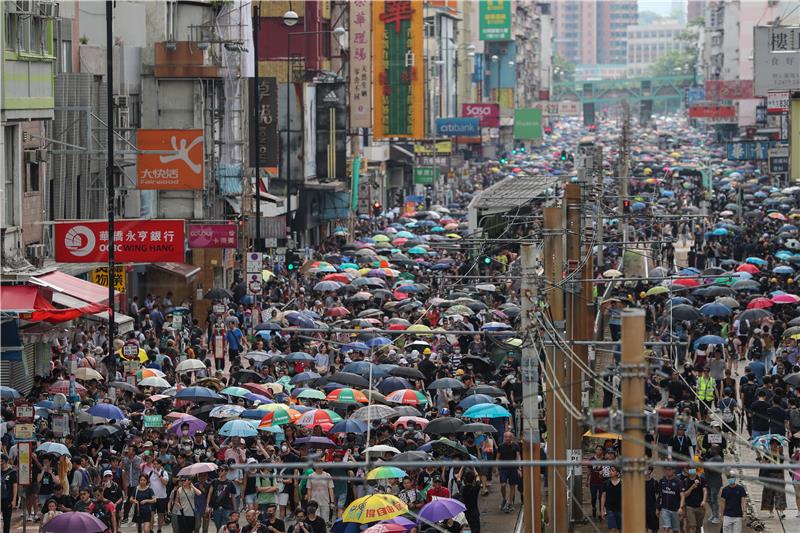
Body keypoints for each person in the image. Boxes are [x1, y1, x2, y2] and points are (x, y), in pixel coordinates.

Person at [495, 431, 521, 513]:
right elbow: (497, 457)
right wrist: (496, 469)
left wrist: (519, 468)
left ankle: (510, 503)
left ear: (511, 438)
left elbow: (518, 456)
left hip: (513, 468)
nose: (507, 438)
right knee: (503, 485)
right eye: (506, 437)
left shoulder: (515, 446)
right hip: (503, 468)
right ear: (504, 438)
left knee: (512, 486)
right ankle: (504, 499)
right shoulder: (500, 446)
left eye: (509, 437)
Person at [208, 464, 238, 532]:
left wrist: (235, 510)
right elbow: (209, 494)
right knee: (218, 527)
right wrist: (208, 506)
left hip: (227, 508)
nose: (219, 472)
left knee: (224, 526)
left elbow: (233, 497)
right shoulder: (214, 481)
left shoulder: (230, 483)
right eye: (218, 470)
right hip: (216, 508)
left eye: (221, 470)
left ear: (226, 472)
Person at [679, 467, 707, 533]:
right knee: (692, 526)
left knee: (698, 527)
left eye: (693, 469)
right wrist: (692, 487)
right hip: (689, 507)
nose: (692, 471)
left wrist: (704, 500)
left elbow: (705, 491)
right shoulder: (685, 481)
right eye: (690, 469)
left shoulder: (701, 479)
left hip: (700, 507)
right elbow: (684, 495)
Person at [657, 465, 682, 533]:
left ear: (673, 470)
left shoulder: (678, 481)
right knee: (666, 528)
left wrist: (681, 507)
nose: (667, 471)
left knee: (675, 530)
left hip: (675, 510)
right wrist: (658, 508)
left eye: (669, 470)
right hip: (665, 509)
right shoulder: (662, 481)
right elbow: (660, 495)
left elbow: (682, 496)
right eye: (666, 469)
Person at [599, 465, 622, 533]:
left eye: (612, 470)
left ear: (617, 473)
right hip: (610, 509)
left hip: (620, 509)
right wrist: (602, 510)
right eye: (610, 470)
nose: (610, 472)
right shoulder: (606, 483)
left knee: (620, 529)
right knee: (612, 529)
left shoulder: (623, 483)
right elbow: (603, 496)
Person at [1, 454, 18, 533]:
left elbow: (14, 486)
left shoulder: (11, 472)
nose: (1, 464)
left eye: (2, 462)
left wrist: (14, 500)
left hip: (7, 499)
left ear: (6, 462)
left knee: (6, 520)